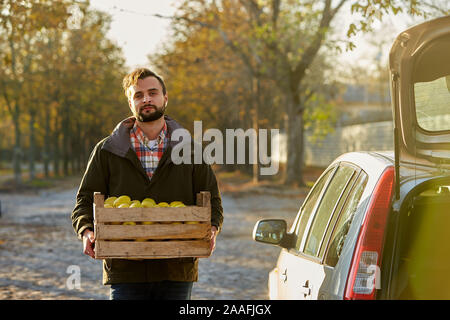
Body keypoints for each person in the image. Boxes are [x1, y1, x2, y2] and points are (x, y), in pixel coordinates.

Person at [71, 67, 223, 300]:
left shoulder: (190, 149)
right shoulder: (107, 150)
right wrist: (86, 231)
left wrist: (212, 228)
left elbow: (211, 198)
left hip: (177, 266)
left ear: (165, 97)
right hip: (125, 267)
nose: (146, 99)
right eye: (138, 95)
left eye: (152, 92)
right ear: (130, 103)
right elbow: (84, 199)